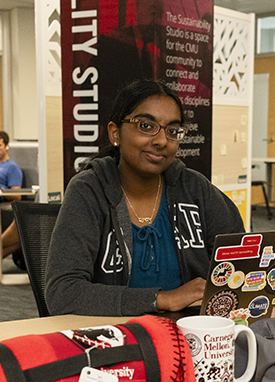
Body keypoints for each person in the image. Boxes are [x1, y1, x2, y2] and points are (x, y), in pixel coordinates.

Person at [44, 79, 244, 315]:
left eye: (172, 131)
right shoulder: (89, 190)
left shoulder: (193, 188)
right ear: (115, 133)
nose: (161, 141)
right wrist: (161, 299)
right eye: (146, 126)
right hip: (115, 338)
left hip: (191, 334)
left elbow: (242, 259)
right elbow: (63, 293)